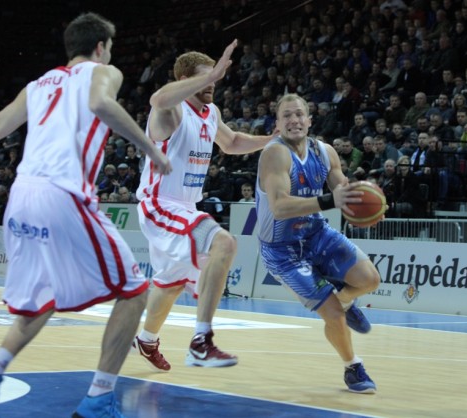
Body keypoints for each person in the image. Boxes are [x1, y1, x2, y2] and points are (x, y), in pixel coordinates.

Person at [0, 12, 172, 418]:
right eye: (109, 49)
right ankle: (98, 400)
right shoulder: (104, 71)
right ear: (100, 47)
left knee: (42, 296)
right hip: (63, 193)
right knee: (134, 292)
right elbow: (100, 103)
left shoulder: (38, 84)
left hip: (21, 197)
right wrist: (151, 150)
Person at [133, 40, 274, 371]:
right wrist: (210, 73)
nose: (213, 82)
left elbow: (232, 142)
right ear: (186, 80)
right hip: (159, 204)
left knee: (171, 282)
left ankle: (146, 339)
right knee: (223, 242)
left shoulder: (211, 113)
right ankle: (201, 343)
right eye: (206, 77)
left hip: (185, 207)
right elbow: (157, 99)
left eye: (215, 77)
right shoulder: (172, 109)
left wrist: (272, 139)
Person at [255, 93, 380, 393]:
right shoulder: (275, 154)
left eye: (299, 114)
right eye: (286, 115)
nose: (294, 120)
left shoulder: (325, 152)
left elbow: (344, 191)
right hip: (282, 250)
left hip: (316, 234)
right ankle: (353, 367)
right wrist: (329, 201)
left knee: (370, 279)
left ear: (310, 120)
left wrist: (369, 207)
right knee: (333, 314)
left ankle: (347, 301)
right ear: (277, 124)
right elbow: (279, 207)